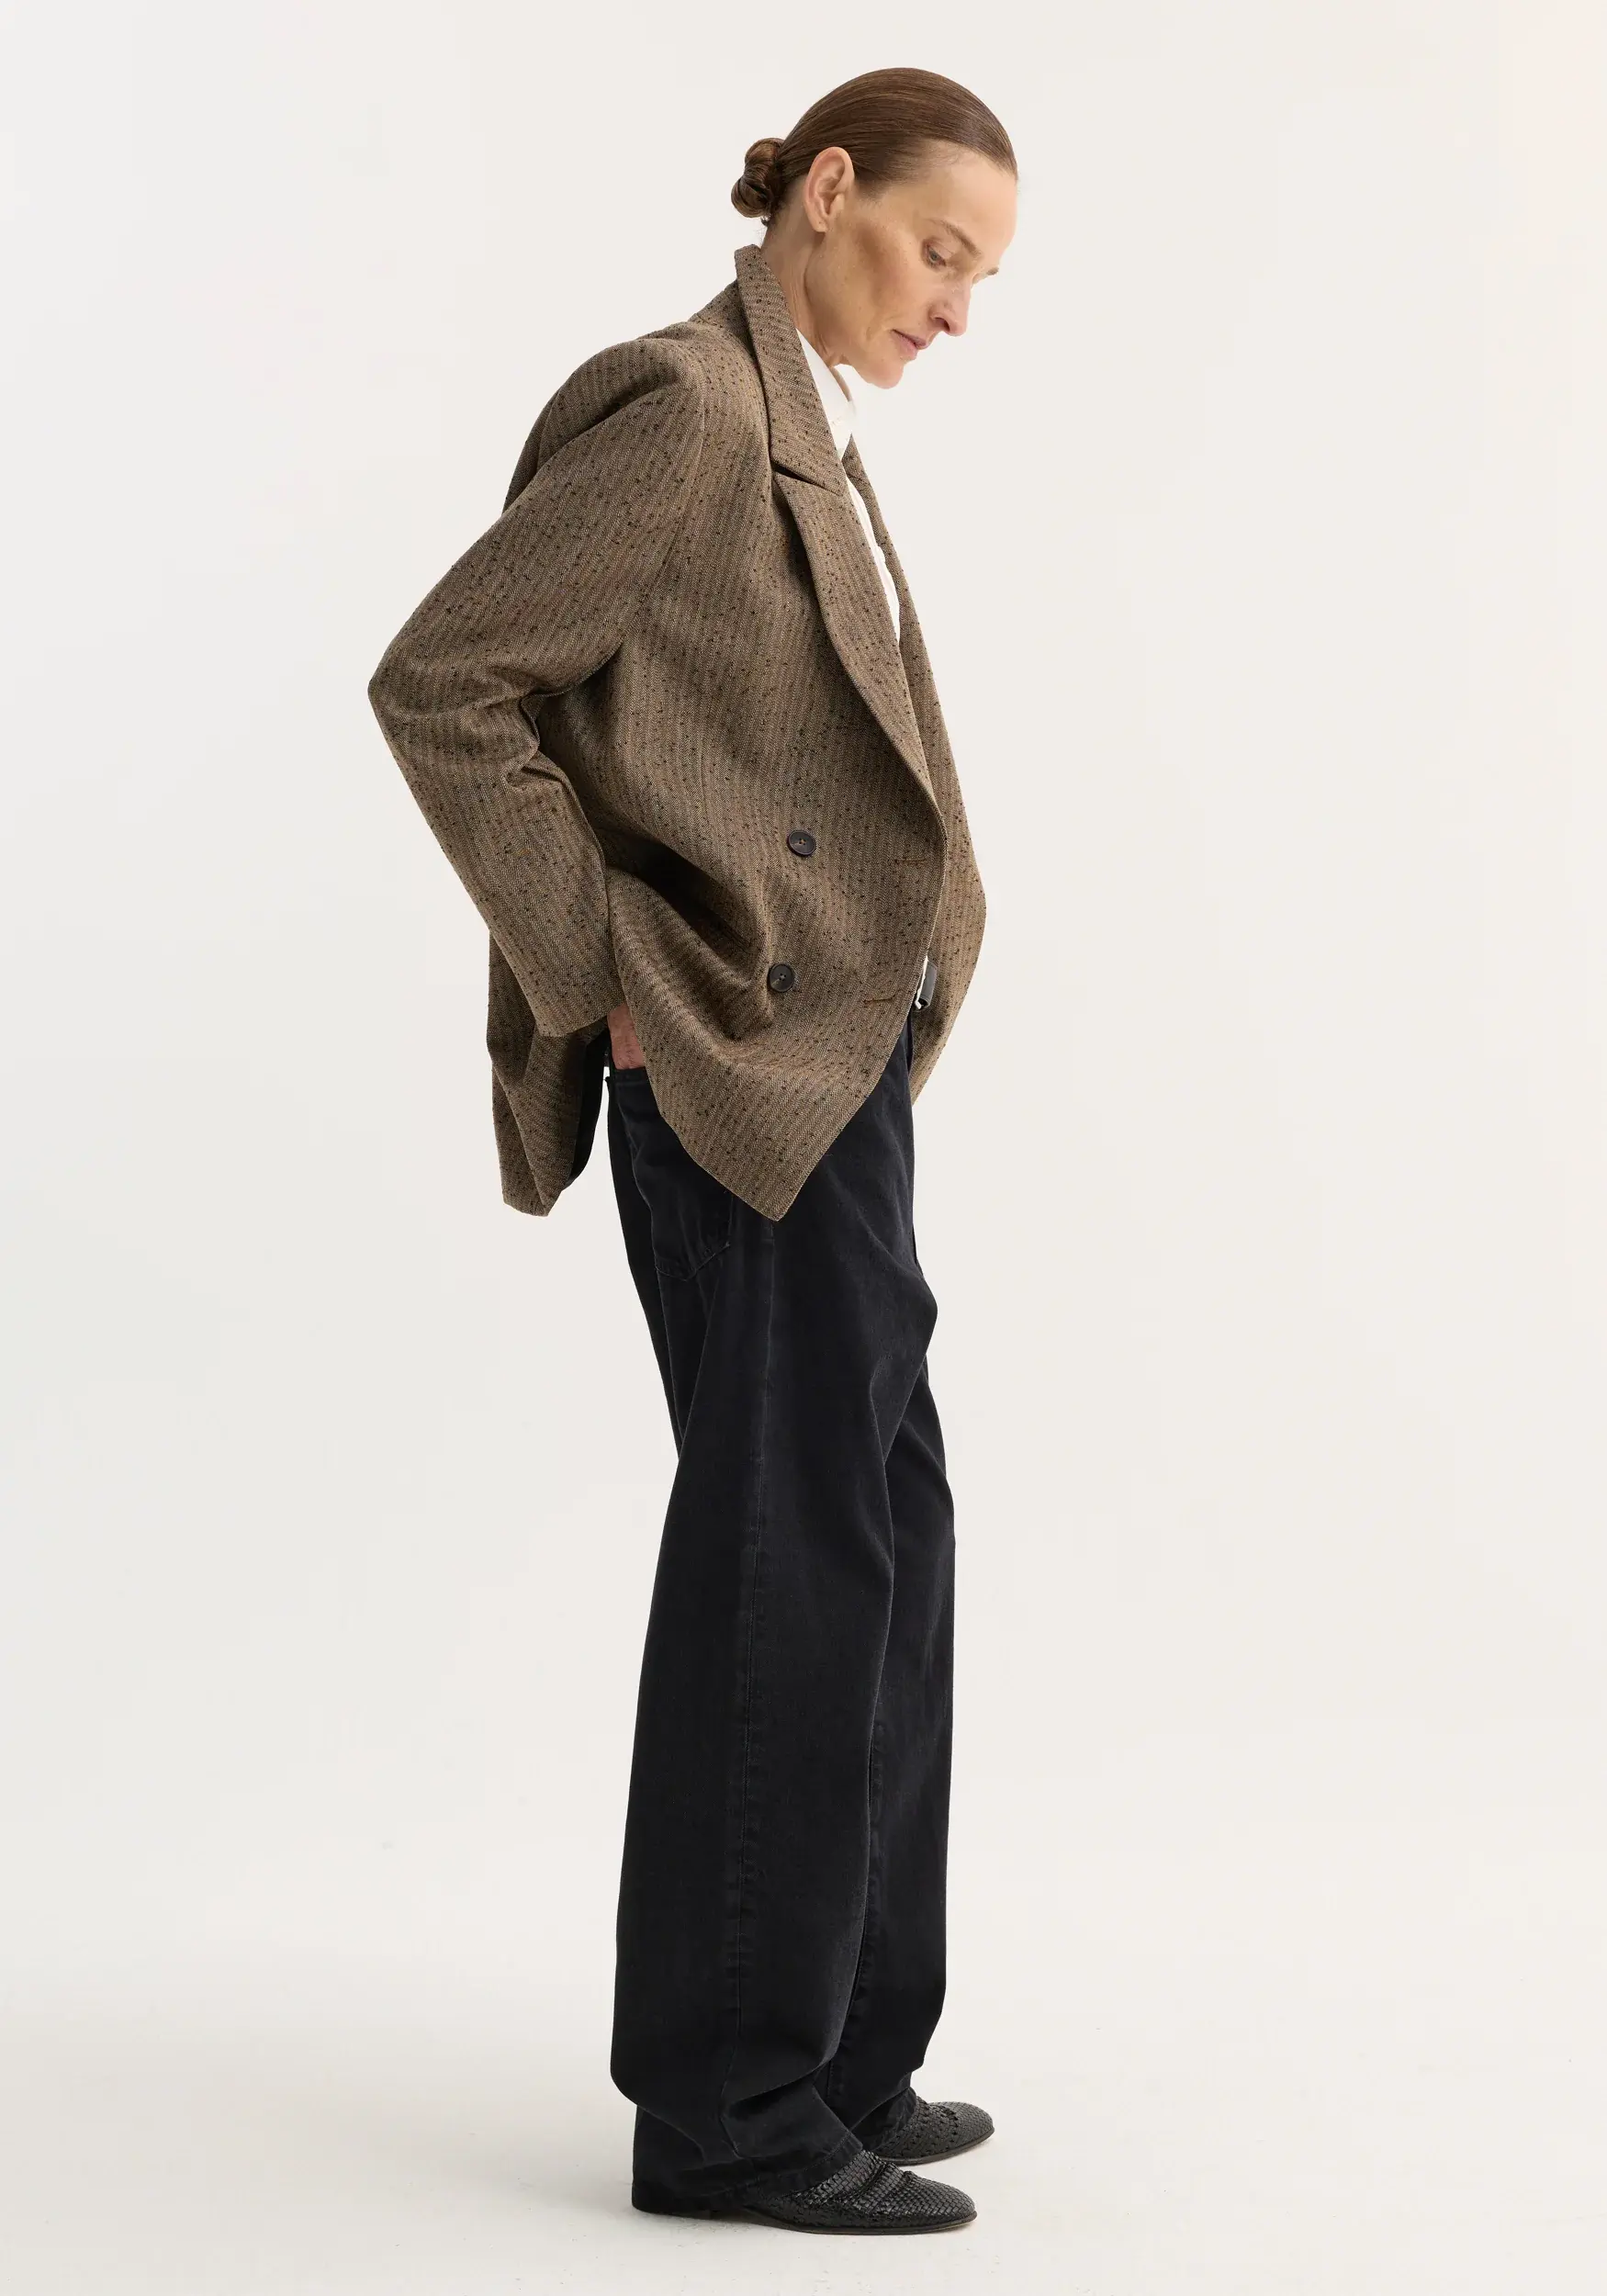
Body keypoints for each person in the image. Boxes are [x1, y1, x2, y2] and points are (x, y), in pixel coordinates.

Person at [366, 65, 1017, 2236]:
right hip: (736, 1068)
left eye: (980, 276)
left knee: (883, 1528)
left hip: (834, 1069)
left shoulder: (799, 418)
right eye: (937, 249)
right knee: (786, 1545)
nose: (954, 306)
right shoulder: (681, 404)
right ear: (826, 189)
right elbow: (448, 683)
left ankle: (841, 2044)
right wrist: (604, 971)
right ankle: (730, 2109)